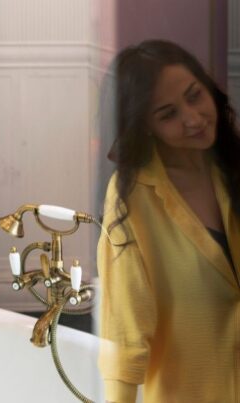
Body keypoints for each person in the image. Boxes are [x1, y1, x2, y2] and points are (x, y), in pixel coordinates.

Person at [97, 39, 240, 402]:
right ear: (146, 126)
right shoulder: (131, 197)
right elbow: (126, 327)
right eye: (168, 114)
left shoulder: (233, 167)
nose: (193, 118)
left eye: (195, 96)